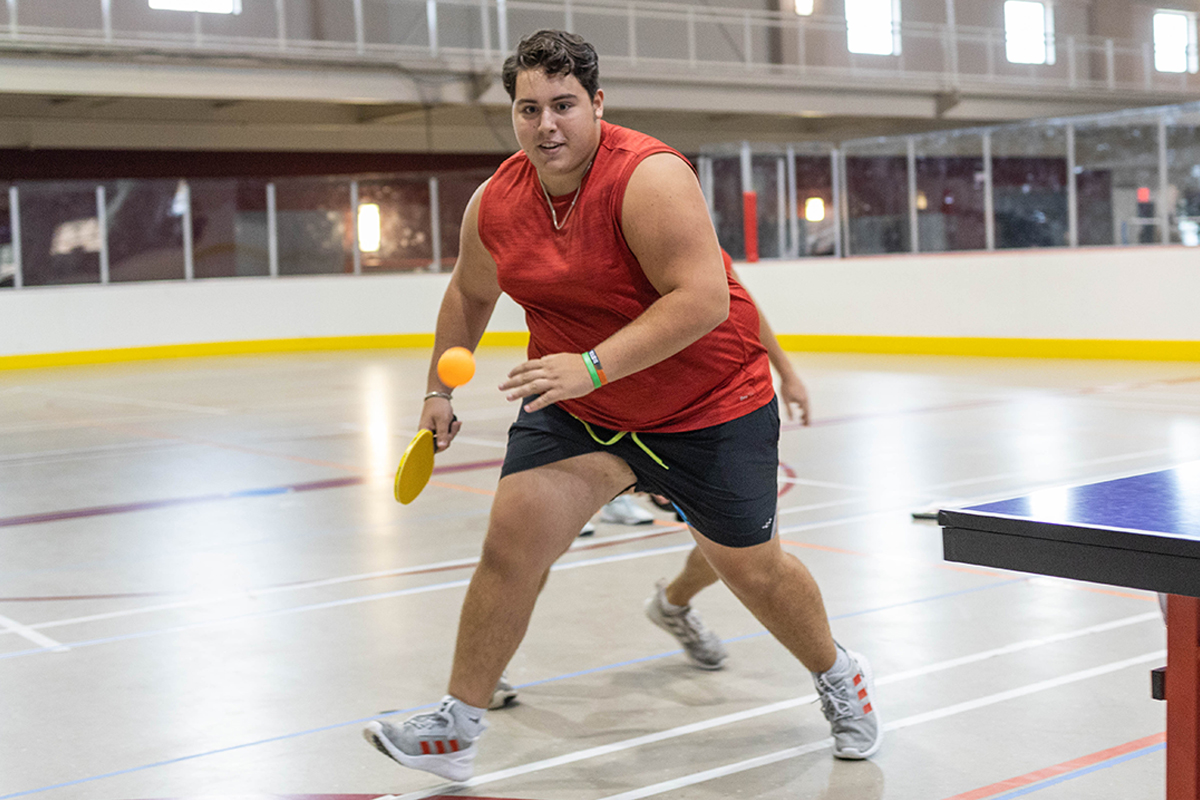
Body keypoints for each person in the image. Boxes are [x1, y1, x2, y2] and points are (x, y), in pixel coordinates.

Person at [362, 30, 881, 783]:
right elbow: (470, 292)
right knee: (512, 545)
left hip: (710, 404)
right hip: (581, 407)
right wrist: (438, 390)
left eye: (564, 105)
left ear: (598, 104)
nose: (546, 125)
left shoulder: (648, 177)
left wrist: (593, 365)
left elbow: (702, 300)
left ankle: (839, 674)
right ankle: (458, 725)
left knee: (754, 572)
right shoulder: (496, 203)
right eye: (528, 108)